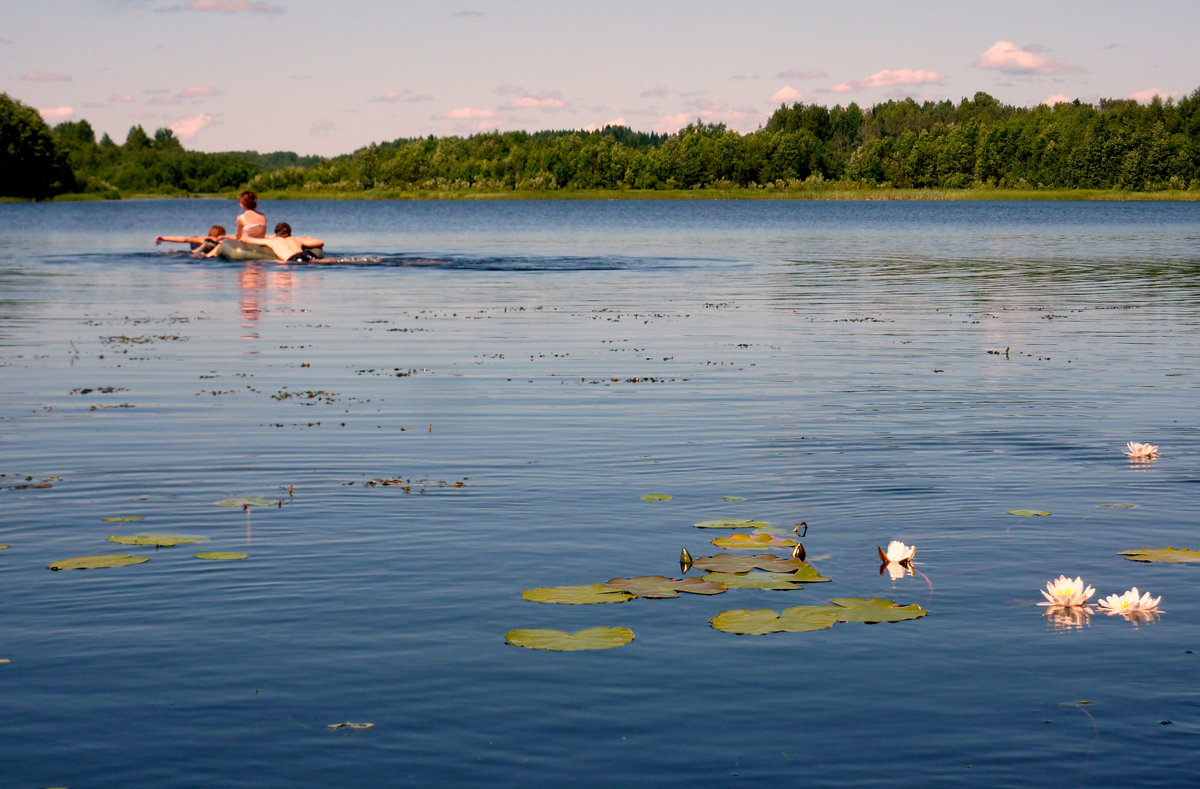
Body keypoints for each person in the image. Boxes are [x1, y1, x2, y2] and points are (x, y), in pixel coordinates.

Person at [226, 222, 325, 262]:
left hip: (294, 259)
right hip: (306, 253)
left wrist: (243, 236)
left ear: (276, 233)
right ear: (290, 232)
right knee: (320, 262)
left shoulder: (272, 241)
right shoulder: (296, 239)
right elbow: (320, 242)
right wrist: (305, 237)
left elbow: (247, 240)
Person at [155, 225, 227, 256]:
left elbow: (184, 239)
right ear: (222, 234)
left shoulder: (202, 239)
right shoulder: (220, 240)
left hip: (193, 252)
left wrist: (163, 238)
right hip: (207, 251)